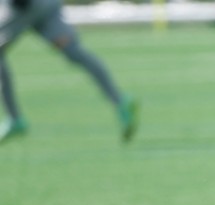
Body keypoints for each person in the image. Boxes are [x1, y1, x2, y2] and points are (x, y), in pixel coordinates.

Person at [0, 0, 138, 144]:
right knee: (74, 52)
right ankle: (120, 101)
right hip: (44, 6)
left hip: (24, 7)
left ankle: (14, 119)